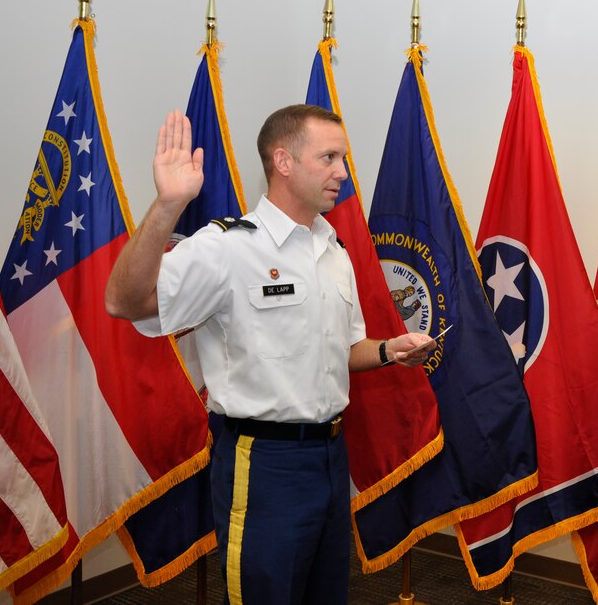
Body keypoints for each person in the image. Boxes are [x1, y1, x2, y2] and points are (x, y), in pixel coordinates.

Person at [106, 104, 434, 604]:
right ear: (283, 161)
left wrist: (391, 350)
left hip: (329, 456)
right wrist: (167, 204)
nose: (342, 173)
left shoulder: (334, 250)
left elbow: (343, 351)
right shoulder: (228, 247)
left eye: (342, 159)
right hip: (263, 464)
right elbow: (123, 301)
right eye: (329, 158)